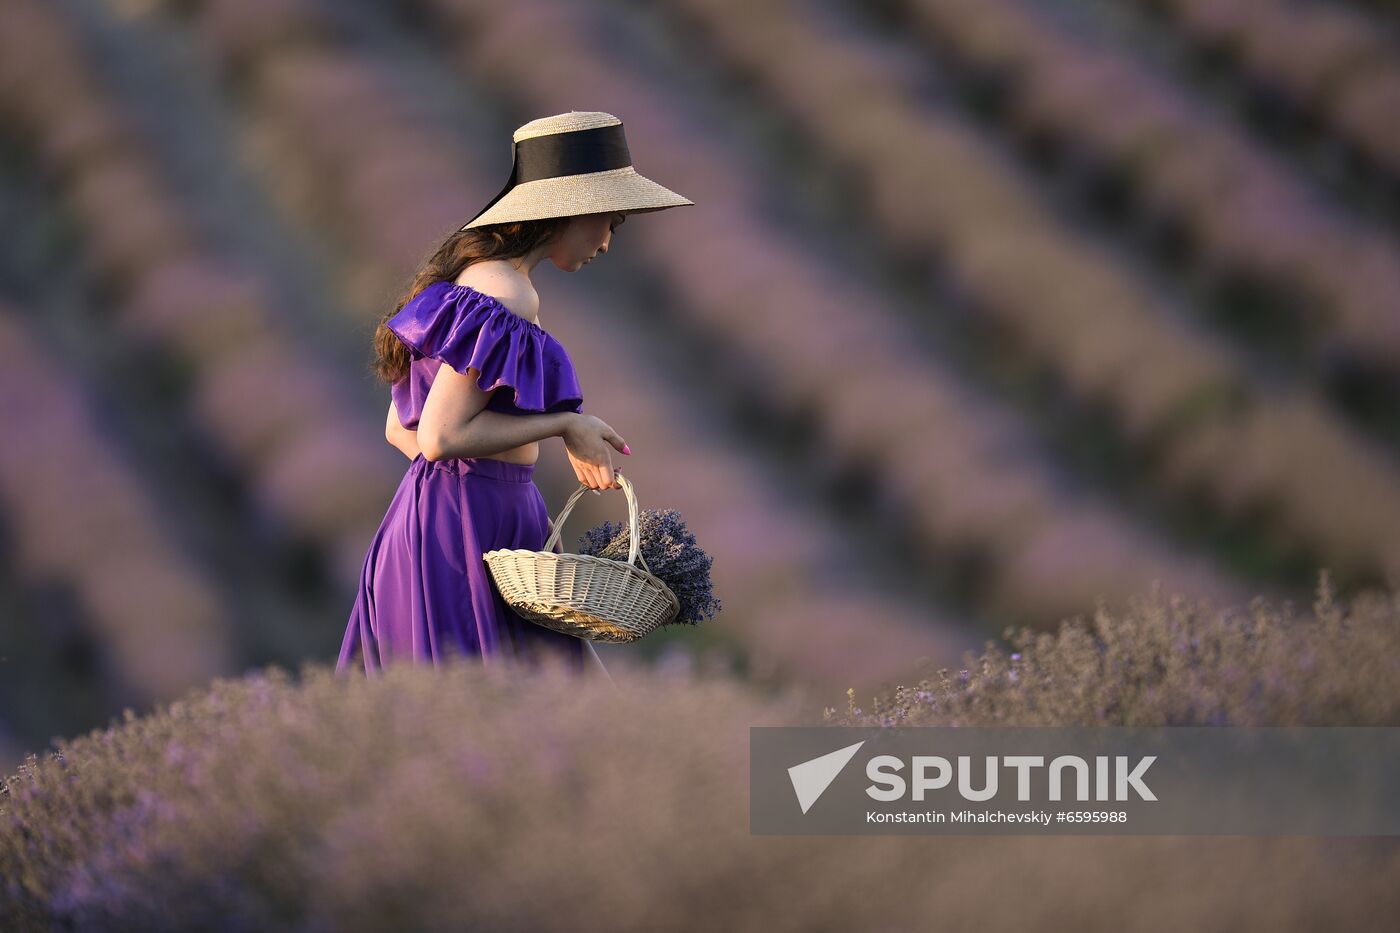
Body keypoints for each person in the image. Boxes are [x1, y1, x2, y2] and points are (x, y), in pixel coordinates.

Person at [336, 111, 693, 680]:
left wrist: (460, 493)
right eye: (611, 223)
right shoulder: (506, 293)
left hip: (457, 525)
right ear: (572, 209)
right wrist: (562, 425)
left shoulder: (469, 282)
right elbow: (439, 437)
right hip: (471, 534)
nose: (606, 243)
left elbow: (399, 429)